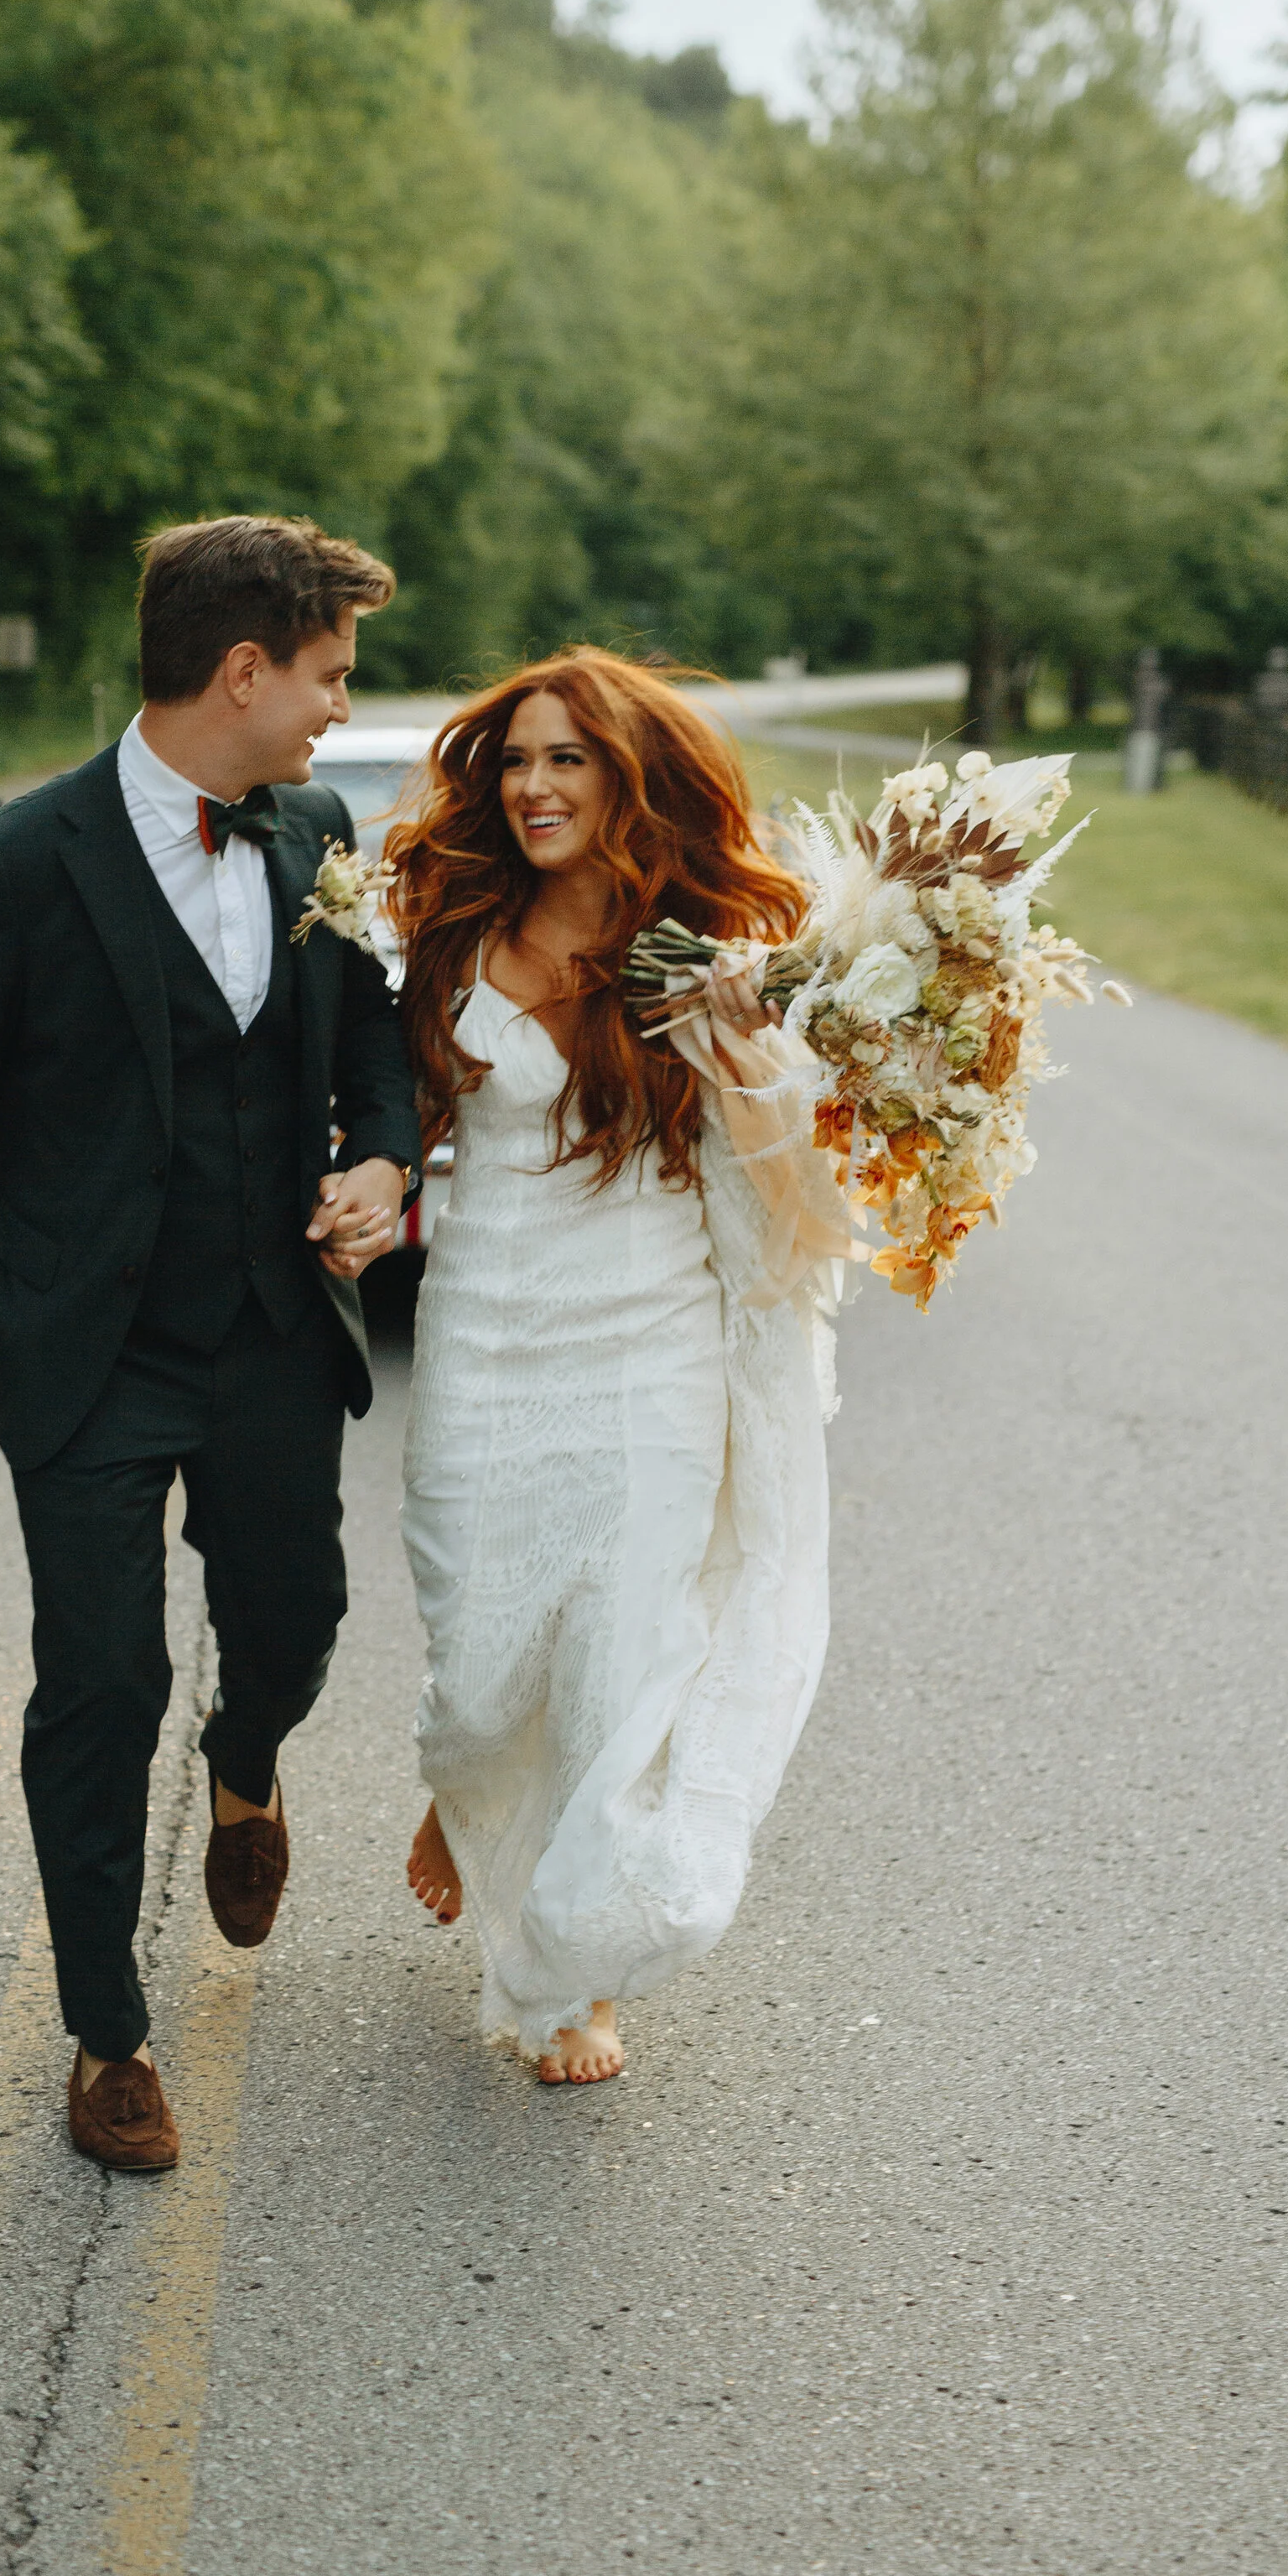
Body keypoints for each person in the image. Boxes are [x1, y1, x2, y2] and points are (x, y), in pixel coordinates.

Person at [0, 517, 422, 2171]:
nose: (334, 711)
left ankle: (246, 1768)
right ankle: (108, 2032)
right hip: (79, 1344)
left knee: (296, 1619)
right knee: (100, 1677)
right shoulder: (17, 864)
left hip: (263, 1327)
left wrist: (379, 1158)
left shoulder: (312, 827)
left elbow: (373, 1034)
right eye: (326, 679)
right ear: (240, 670)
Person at [388, 650, 841, 2084]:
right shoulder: (451, 928)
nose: (531, 785)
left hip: (651, 1342)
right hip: (484, 1331)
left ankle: (567, 1980)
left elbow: (786, 1182)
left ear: (627, 779)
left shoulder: (695, 958)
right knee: (477, 1670)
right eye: (517, 758)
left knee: (617, 1655)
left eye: (566, 759)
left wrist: (758, 1058)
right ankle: (466, 1786)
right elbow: (384, 1118)